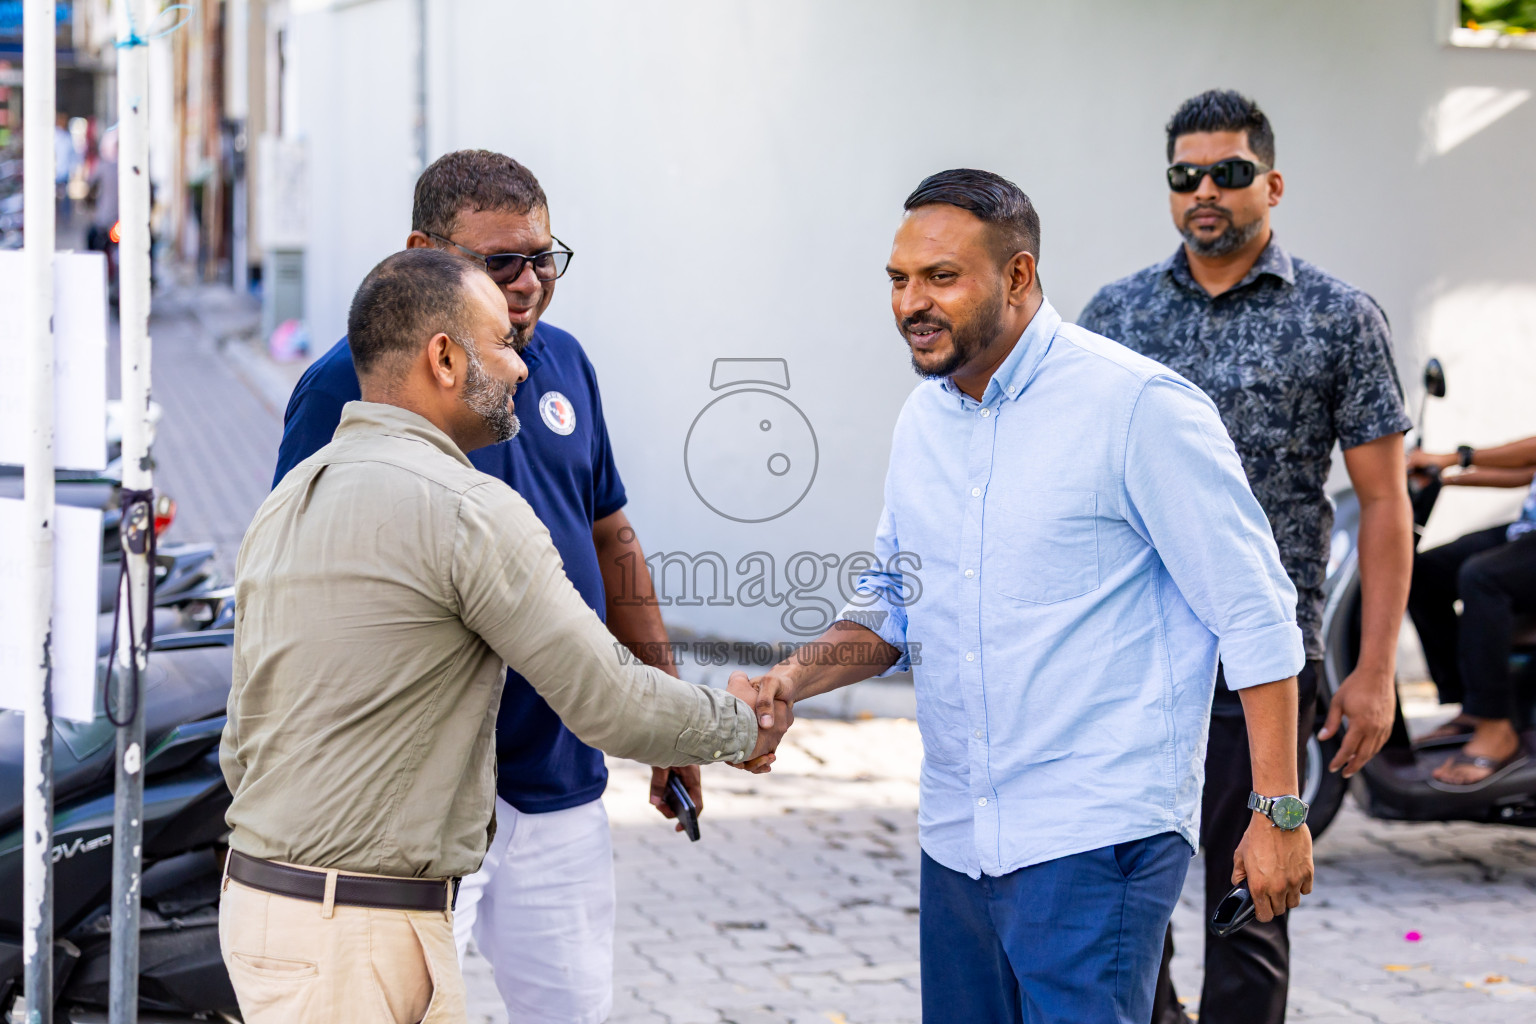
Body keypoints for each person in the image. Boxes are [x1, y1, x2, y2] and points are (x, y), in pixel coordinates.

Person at [743, 168, 1313, 1024]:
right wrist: (788, 680)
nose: (911, 303)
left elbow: (1256, 611)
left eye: (941, 277)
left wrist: (1278, 811)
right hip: (959, 840)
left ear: (1017, 276)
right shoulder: (923, 420)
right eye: (899, 280)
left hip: (1095, 839)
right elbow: (893, 608)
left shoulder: (1137, 408)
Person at [220, 248, 785, 1024]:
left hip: (263, 906)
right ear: (444, 359)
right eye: (500, 345)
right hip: (356, 931)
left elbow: (242, 734)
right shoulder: (465, 508)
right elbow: (609, 700)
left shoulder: (287, 501)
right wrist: (742, 722)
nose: (521, 367)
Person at [272, 150, 686, 1023]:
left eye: (543, 257)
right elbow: (297, 583)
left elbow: (611, 535)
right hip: (410, 807)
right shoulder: (344, 387)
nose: (529, 282)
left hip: (555, 777)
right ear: (424, 252)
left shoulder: (565, 364)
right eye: (501, 263)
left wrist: (665, 713)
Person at [1078, 89, 1415, 1024]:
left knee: (1253, 907)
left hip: (1262, 656)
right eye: (1186, 177)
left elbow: (1384, 503)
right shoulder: (1118, 313)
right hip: (1132, 652)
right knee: (1117, 898)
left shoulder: (1339, 318)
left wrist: (1374, 670)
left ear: (1271, 183)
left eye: (1228, 173)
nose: (1205, 193)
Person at [1407, 435, 1536, 786]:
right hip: (1526, 530)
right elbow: (1527, 471)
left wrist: (1457, 456)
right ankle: (1470, 706)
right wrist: (1443, 477)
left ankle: (1497, 726)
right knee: (1421, 574)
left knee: (1483, 577)